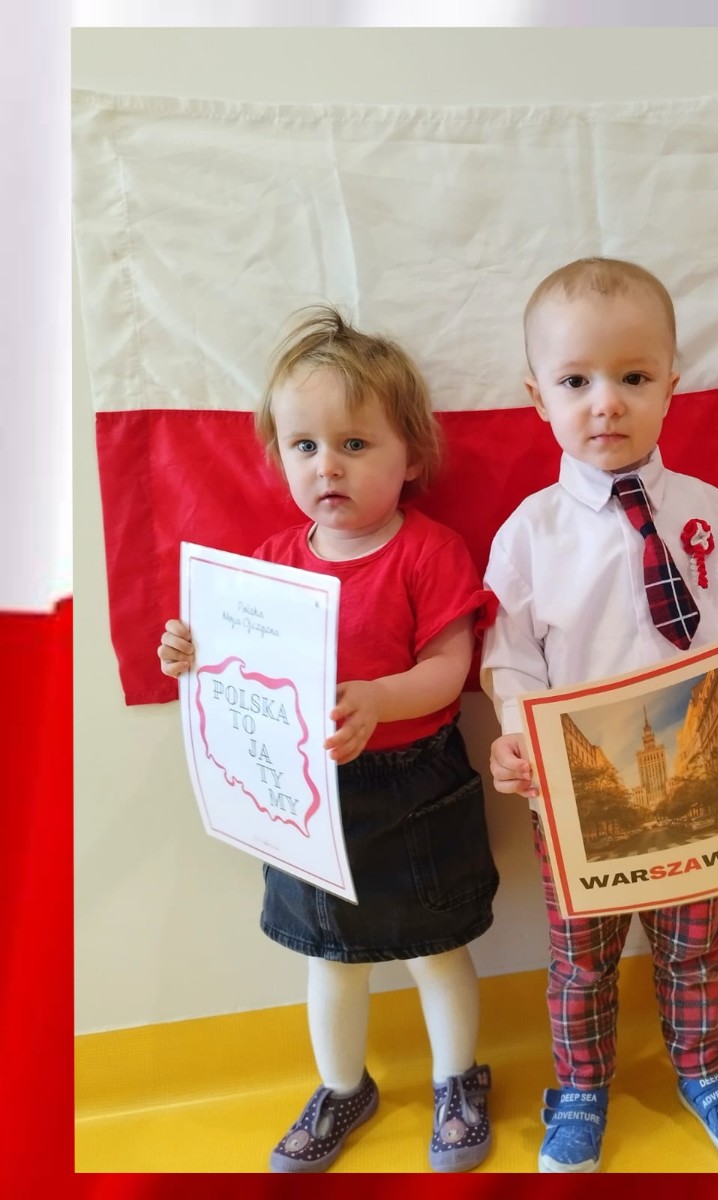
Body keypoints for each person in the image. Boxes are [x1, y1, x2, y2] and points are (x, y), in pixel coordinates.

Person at [157, 306, 499, 1173]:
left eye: (354, 444)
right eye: (304, 446)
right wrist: (193, 656)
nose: (328, 466)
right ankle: (344, 1086)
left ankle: (459, 1078)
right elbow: (236, 673)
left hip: (413, 785)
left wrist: (381, 697)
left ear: (410, 457)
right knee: (330, 959)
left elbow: (450, 667)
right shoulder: (272, 561)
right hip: (305, 797)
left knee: (434, 949)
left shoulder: (429, 551)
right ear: (278, 458)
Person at [481, 257, 718, 1173]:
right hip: (577, 800)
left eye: (632, 377)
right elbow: (509, 655)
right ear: (538, 396)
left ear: (671, 383)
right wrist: (515, 733)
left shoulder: (711, 512)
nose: (606, 403)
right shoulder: (529, 534)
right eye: (576, 382)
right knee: (580, 958)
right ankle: (580, 1087)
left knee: (695, 946)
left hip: (703, 784)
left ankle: (703, 1066)